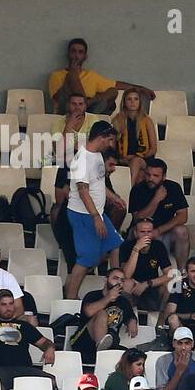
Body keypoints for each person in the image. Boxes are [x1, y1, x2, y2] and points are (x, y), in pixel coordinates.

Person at [61, 121, 122, 299]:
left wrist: (114, 198)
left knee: (114, 244)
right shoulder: (82, 159)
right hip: (84, 215)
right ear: (101, 138)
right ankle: (70, 299)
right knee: (86, 258)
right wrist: (96, 217)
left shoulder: (97, 155)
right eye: (110, 140)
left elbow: (99, 183)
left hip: (97, 213)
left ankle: (115, 289)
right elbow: (82, 190)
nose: (111, 144)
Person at [47, 37, 153, 114]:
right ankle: (85, 107)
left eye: (80, 52)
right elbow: (57, 99)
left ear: (85, 56)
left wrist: (141, 88)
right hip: (68, 109)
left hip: (90, 107)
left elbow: (116, 85)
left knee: (113, 91)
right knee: (73, 80)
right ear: (68, 54)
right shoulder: (56, 75)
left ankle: (87, 105)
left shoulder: (91, 75)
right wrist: (71, 76)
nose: (76, 55)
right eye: (73, 51)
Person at [127, 157, 190, 271]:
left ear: (164, 177)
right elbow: (139, 218)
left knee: (182, 231)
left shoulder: (173, 187)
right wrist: (156, 199)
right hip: (143, 232)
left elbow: (183, 216)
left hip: (165, 232)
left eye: (156, 176)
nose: (151, 178)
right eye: (148, 174)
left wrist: (159, 231)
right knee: (135, 232)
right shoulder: (137, 190)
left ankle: (182, 273)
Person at [74, 267, 137, 362]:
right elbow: (88, 311)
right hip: (85, 341)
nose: (119, 282)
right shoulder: (92, 295)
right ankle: (101, 347)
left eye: (122, 280)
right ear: (106, 279)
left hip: (112, 342)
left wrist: (132, 321)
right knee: (102, 313)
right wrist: (108, 298)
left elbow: (130, 316)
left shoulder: (124, 302)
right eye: (115, 278)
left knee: (132, 356)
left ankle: (104, 349)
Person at [118, 216, 175, 313]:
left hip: (151, 283)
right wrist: (136, 249)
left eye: (149, 232)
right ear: (136, 233)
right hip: (133, 283)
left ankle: (159, 318)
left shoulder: (158, 246)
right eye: (142, 232)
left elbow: (170, 274)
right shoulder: (126, 246)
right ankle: (129, 314)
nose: (146, 235)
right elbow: (126, 275)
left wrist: (147, 284)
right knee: (126, 283)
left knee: (171, 284)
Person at [112, 88, 157, 187]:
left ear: (140, 102)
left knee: (135, 161)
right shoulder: (117, 120)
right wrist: (121, 159)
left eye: (136, 99)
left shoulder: (147, 120)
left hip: (144, 159)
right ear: (124, 102)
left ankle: (128, 190)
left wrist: (137, 157)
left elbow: (153, 148)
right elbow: (113, 146)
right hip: (123, 160)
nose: (133, 102)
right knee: (140, 177)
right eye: (129, 99)